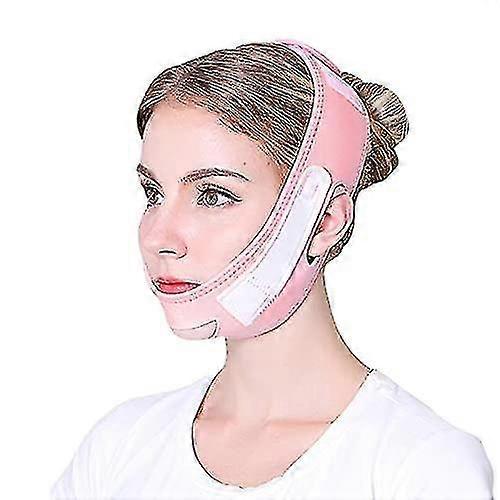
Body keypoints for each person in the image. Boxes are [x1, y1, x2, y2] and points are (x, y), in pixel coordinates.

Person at [51, 40, 494, 499]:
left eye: (212, 195)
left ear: (323, 220)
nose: (157, 237)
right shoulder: (119, 446)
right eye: (154, 193)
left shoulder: (420, 464)